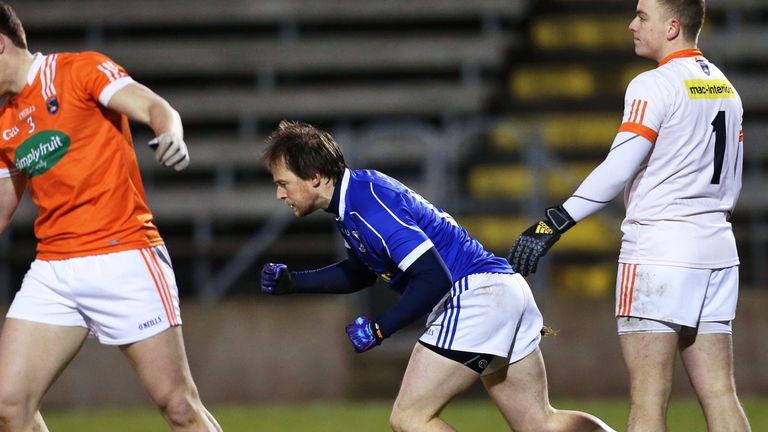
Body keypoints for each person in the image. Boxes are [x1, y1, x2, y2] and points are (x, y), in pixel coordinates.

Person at [259, 120, 614, 432]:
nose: (280, 193)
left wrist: (381, 328)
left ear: (315, 177)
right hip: (502, 290)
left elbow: (433, 278)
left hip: (474, 295)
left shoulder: (366, 206)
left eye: (284, 182)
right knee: (540, 424)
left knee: (410, 418)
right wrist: (294, 282)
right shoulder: (357, 197)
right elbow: (361, 271)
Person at [507, 0, 751, 431]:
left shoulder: (653, 84)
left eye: (642, 16)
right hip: (717, 250)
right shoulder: (725, 88)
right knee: (720, 394)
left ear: (672, 26)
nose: (631, 25)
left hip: (660, 253)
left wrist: (552, 224)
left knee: (648, 400)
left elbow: (618, 168)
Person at [0, 2, 221, 431]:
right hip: (55, 268)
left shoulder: (80, 71)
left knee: (178, 406)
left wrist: (169, 133)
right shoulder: (3, 120)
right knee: (7, 406)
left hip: (124, 254)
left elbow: (156, 107)